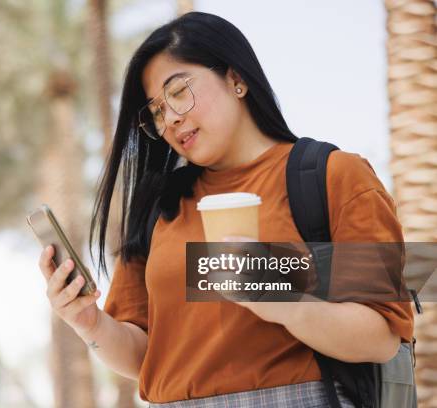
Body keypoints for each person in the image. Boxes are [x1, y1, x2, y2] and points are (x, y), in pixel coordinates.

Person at [37, 11, 413, 407]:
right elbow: (146, 355)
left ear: (236, 79)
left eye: (179, 91)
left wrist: (277, 296)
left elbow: (383, 334)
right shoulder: (160, 207)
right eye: (157, 112)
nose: (172, 119)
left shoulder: (332, 176)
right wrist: (90, 323)